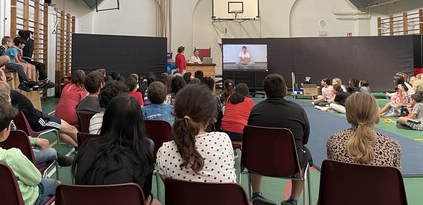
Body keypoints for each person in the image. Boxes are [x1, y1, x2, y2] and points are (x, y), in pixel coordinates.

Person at [0, 101, 59, 205]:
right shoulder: (11, 156)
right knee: (57, 185)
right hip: (24, 200)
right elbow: (35, 179)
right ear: (4, 132)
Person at [73, 95, 158, 204]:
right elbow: (144, 196)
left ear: (107, 119)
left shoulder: (87, 147)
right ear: (138, 123)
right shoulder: (142, 153)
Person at [248, 74, 312, 205]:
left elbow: (251, 138)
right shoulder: (298, 111)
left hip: (258, 162)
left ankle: (255, 194)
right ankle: (293, 200)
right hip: (291, 164)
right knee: (304, 152)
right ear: (285, 89)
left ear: (265, 91)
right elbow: (304, 139)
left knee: (255, 151)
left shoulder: (256, 110)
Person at [156, 84, 236, 183]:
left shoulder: (164, 152)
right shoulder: (223, 140)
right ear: (209, 118)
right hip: (226, 199)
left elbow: (172, 191)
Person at [0, 81, 72, 167]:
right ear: (6, 100)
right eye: (9, 97)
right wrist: (34, 141)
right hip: (12, 157)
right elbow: (33, 178)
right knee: (51, 152)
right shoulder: (7, 122)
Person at [0, 67, 78, 147]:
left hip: (37, 116)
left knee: (65, 130)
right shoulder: (6, 95)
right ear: (1, 78)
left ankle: (78, 147)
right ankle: (86, 151)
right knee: (72, 130)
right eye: (4, 74)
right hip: (38, 121)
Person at [327, 92, 401, 168]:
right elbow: (394, 177)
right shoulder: (392, 146)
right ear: (377, 118)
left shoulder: (334, 141)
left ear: (348, 118)